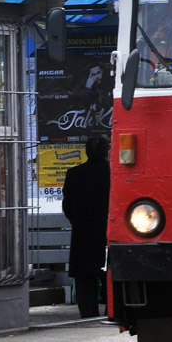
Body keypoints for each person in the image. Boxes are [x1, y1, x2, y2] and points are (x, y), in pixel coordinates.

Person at [62, 135, 111, 318]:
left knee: (84, 280)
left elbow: (67, 206)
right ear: (108, 152)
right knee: (109, 276)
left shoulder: (74, 174)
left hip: (82, 235)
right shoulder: (114, 173)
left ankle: (88, 316)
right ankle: (110, 313)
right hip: (108, 234)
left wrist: (78, 221)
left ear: (86, 152)